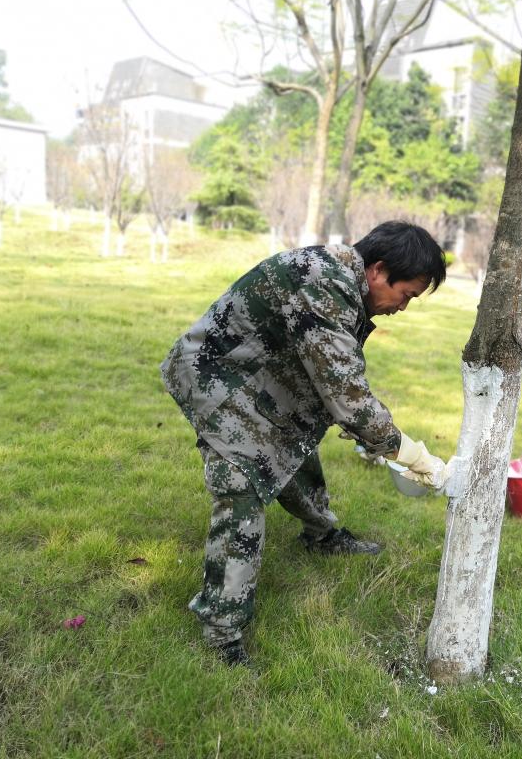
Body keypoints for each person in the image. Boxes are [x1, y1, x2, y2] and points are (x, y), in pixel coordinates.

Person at [160, 221, 452, 666]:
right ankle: (222, 631)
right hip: (215, 378)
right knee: (241, 489)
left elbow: (335, 385)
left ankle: (323, 534)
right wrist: (413, 455)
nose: (402, 308)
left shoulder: (343, 279)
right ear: (378, 270)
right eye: (406, 295)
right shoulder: (323, 280)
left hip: (260, 376)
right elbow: (348, 398)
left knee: (291, 443)